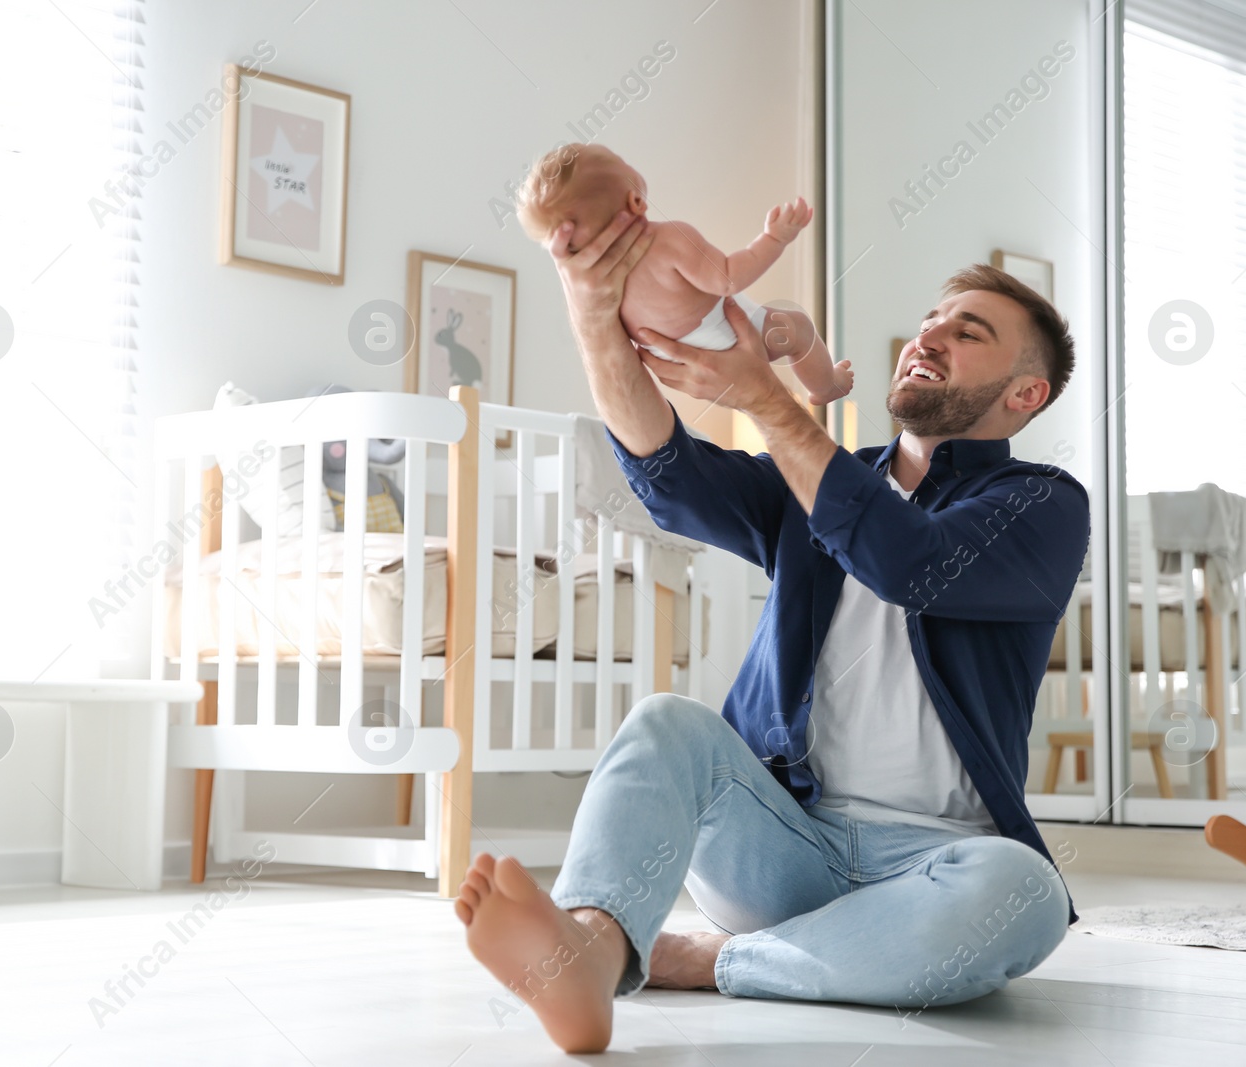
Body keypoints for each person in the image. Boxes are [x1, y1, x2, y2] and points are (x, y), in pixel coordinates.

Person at [455, 208, 1090, 1054]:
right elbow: (668, 472)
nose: (928, 337)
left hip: (937, 865)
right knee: (665, 723)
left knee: (1028, 891)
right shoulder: (816, 479)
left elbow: (907, 561)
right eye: (930, 320)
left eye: (967, 332)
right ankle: (591, 949)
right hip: (784, 847)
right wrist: (589, 305)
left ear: (1025, 394)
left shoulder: (1043, 505)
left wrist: (764, 396)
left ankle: (704, 960)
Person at [515, 143, 854, 405]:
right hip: (723, 334)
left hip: (676, 365)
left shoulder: (600, 288)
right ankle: (826, 386)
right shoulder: (669, 239)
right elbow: (728, 278)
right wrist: (775, 238)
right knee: (799, 329)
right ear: (635, 201)